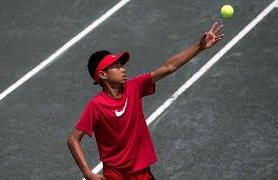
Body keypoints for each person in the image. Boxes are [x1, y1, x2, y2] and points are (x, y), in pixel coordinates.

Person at [67, 22, 224, 180]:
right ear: (102, 75)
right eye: (116, 66)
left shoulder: (134, 87)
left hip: (142, 173)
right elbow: (73, 138)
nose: (123, 69)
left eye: (121, 65)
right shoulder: (96, 106)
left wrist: (200, 46)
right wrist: (88, 173)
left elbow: (169, 67)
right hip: (116, 175)